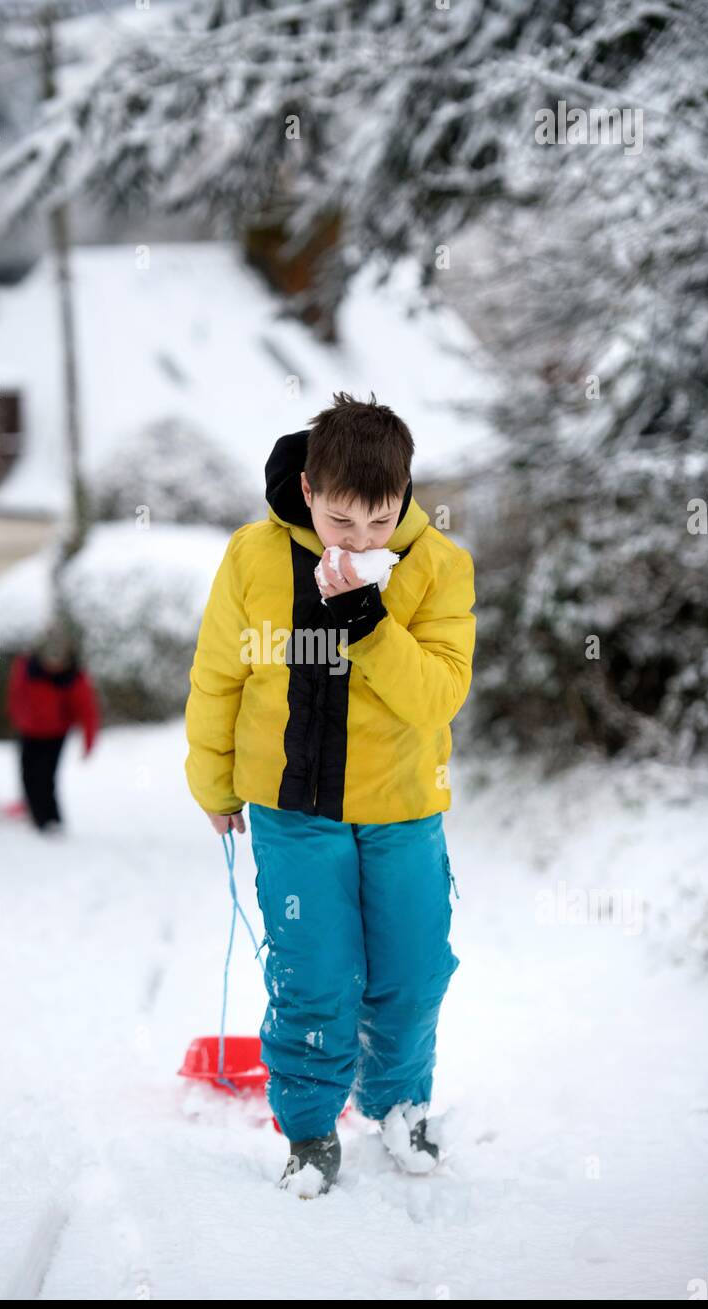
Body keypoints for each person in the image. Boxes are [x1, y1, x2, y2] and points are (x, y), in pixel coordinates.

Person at [184, 390, 476, 1197]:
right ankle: (310, 1132)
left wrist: (369, 625)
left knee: (413, 972)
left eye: (379, 523)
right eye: (341, 522)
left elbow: (436, 697)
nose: (359, 540)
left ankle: (397, 1104)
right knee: (316, 976)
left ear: (404, 496)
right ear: (308, 489)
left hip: (403, 809)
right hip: (292, 810)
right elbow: (217, 678)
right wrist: (210, 779)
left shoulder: (439, 568)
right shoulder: (251, 557)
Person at [6, 629, 100, 833]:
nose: (54, 663)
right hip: (29, 731)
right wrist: (17, 717)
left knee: (47, 777)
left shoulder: (73, 678)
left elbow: (87, 711)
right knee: (28, 776)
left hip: (55, 735)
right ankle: (35, 815)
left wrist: (89, 742)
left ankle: (51, 820)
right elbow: (16, 694)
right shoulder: (27, 668)